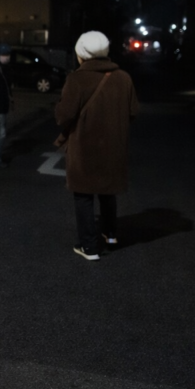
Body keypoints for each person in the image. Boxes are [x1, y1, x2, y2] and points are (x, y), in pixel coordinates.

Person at [54, 31, 140, 261]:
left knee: (83, 195)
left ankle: (89, 247)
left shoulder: (77, 79)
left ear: (81, 54)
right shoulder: (123, 78)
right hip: (113, 146)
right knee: (107, 191)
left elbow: (63, 116)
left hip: (84, 148)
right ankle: (110, 235)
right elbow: (133, 111)